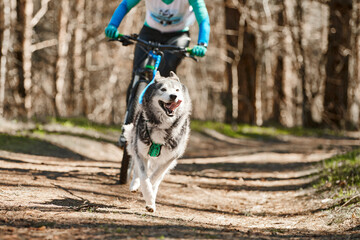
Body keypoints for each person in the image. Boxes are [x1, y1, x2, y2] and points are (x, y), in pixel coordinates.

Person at [105, 0, 210, 146]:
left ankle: (162, 129)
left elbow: (203, 18)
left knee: (164, 78)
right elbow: (125, 5)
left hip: (178, 36)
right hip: (150, 32)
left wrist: (202, 43)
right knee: (138, 74)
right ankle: (127, 125)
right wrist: (113, 25)